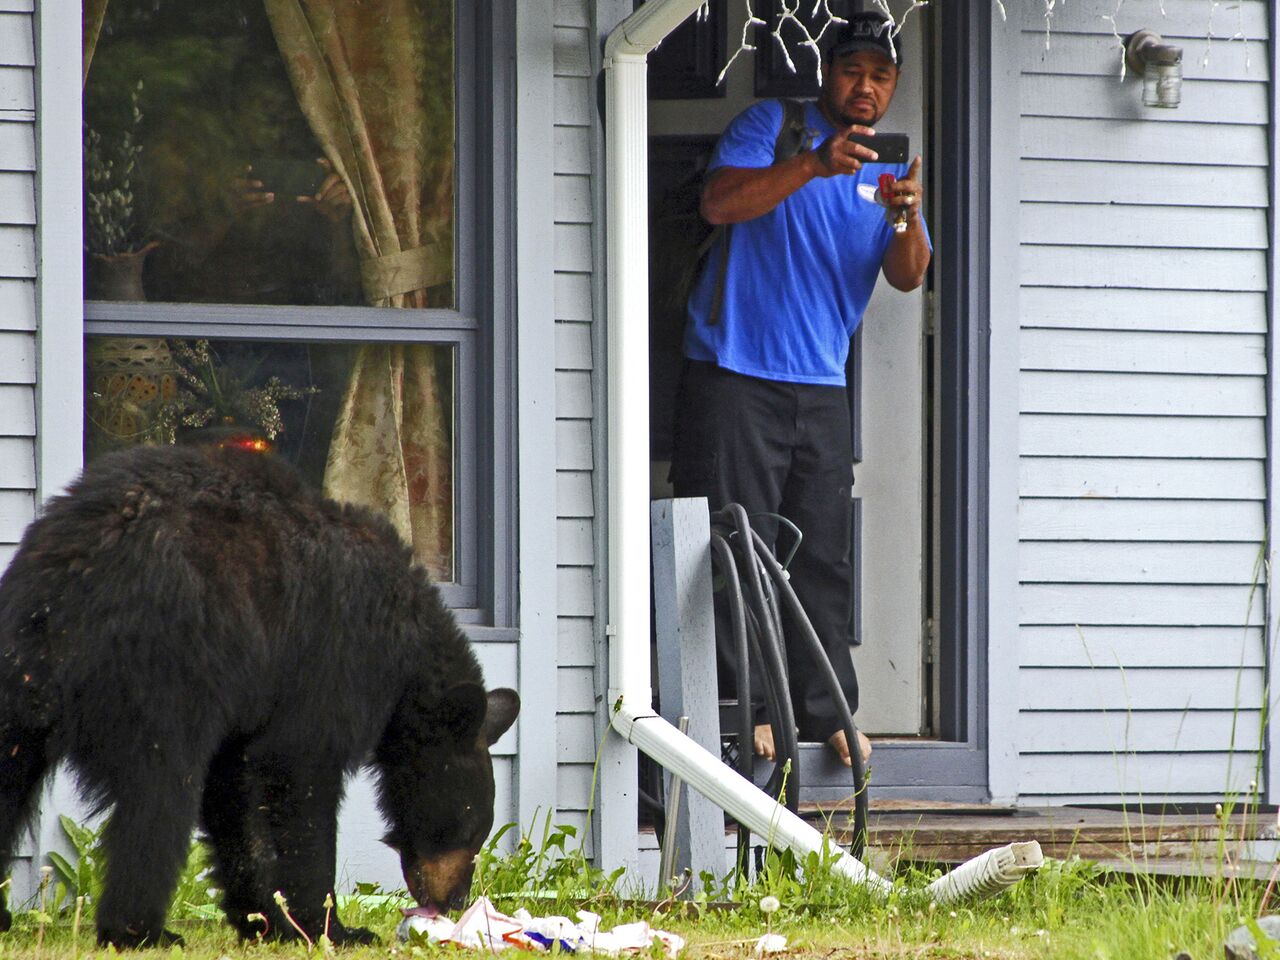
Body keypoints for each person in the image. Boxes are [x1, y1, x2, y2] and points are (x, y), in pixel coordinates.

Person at [669, 12, 931, 768]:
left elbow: (909, 276)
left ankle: (827, 712)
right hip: (734, 373)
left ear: (893, 87)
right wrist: (814, 166)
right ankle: (751, 707)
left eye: (880, 76)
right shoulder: (773, 127)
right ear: (828, 71)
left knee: (820, 557)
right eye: (854, 70)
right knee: (737, 545)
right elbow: (720, 203)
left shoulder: (888, 170)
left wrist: (907, 218)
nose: (865, 87)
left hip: (820, 386)